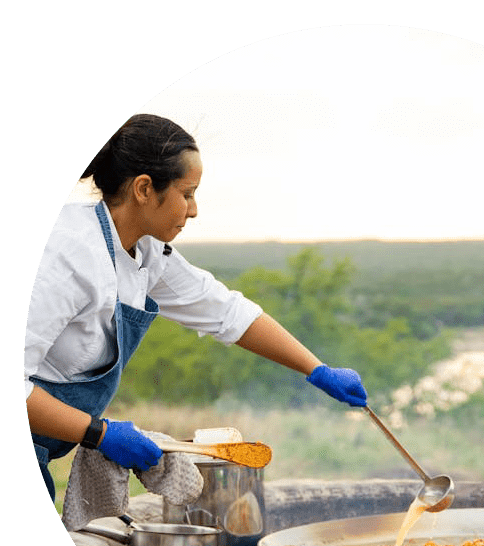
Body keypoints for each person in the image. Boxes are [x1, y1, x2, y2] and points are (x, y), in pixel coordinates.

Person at [25, 113, 368, 502]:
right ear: (143, 188)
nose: (194, 210)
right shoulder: (65, 254)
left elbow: (226, 311)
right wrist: (99, 434)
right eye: (187, 194)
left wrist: (316, 369)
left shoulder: (148, 252)